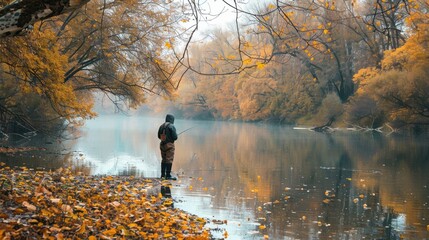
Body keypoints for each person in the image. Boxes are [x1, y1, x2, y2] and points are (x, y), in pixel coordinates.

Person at [157, 114, 178, 180]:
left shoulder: (161, 126)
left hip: (162, 144)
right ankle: (168, 175)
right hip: (169, 145)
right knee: (169, 159)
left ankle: (162, 175)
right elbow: (175, 137)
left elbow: (158, 136)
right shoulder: (172, 126)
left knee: (164, 159)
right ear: (172, 120)